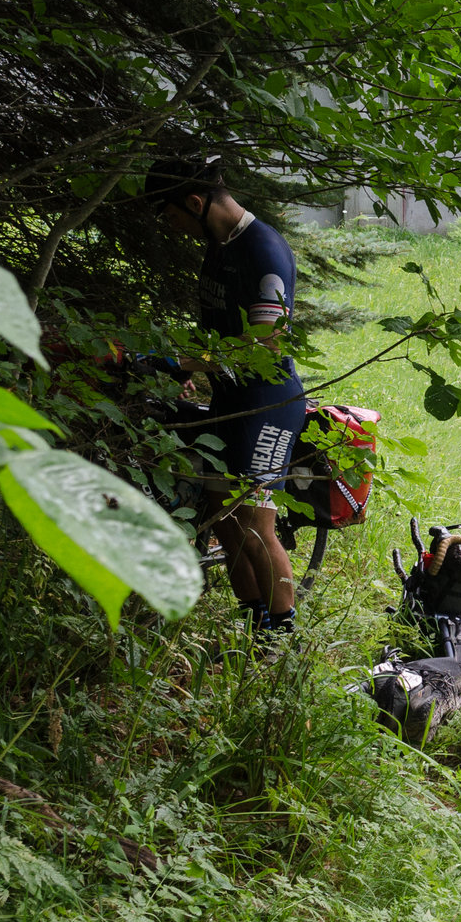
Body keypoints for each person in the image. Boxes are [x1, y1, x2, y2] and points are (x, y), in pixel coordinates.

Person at [142, 157, 304, 634]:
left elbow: (263, 344)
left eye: (170, 215)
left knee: (255, 526)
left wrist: (178, 363)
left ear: (195, 202)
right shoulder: (218, 244)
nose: (170, 227)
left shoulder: (264, 251)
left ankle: (281, 641)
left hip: (269, 404)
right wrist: (187, 368)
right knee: (224, 520)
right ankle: (254, 630)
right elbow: (214, 329)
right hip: (230, 399)